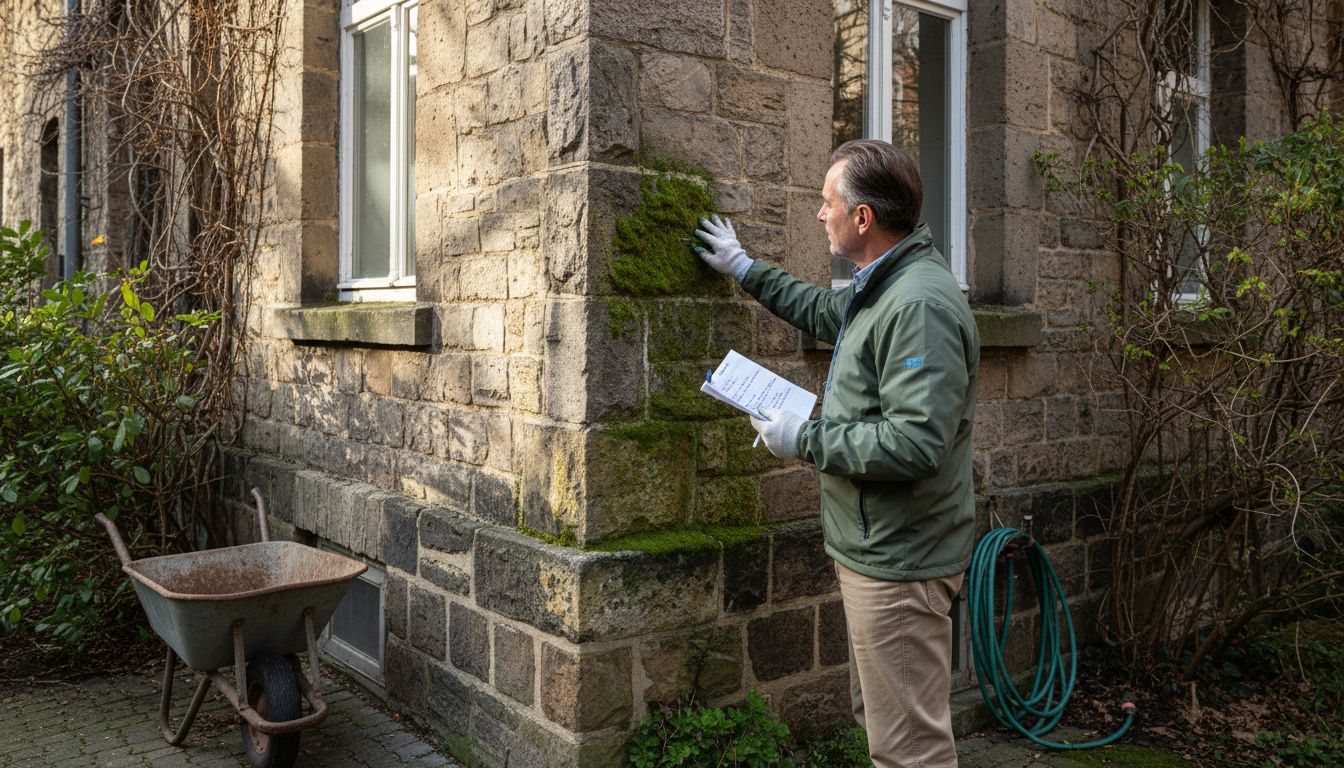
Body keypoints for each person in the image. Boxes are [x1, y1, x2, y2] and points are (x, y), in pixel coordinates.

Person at [694, 139, 980, 768]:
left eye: (828, 203)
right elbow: (827, 313)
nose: (818, 214)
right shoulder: (884, 283)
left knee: (910, 750)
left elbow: (915, 442)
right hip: (878, 548)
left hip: (901, 559)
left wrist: (805, 436)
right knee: (885, 730)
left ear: (862, 218)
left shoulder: (920, 305)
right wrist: (745, 268)